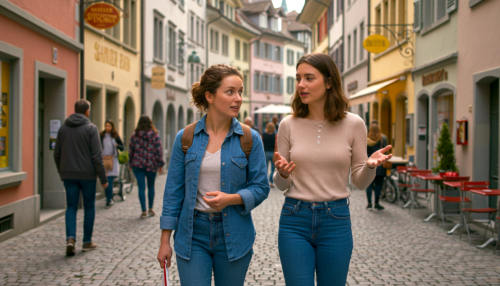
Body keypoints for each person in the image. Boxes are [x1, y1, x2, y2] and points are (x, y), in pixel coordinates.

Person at [273, 53, 392, 286]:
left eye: (309, 78)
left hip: (335, 220)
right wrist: (283, 174)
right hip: (294, 219)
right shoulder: (288, 124)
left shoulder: (354, 123)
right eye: (298, 78)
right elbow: (280, 184)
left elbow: (359, 182)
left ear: (329, 82)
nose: (301, 85)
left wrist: (369, 166)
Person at [157, 64, 270, 286]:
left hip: (234, 233)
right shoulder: (185, 138)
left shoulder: (249, 138)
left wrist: (231, 199)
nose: (238, 98)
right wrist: (164, 241)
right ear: (209, 96)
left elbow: (261, 187)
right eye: (230, 92)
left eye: (240, 92)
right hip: (192, 235)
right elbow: (173, 191)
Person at [54, 99, 108, 256]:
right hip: (87, 176)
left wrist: (61, 172)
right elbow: (97, 156)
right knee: (89, 207)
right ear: (87, 111)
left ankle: (70, 239)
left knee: (71, 206)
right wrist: (103, 179)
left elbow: (56, 153)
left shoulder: (63, 128)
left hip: (68, 174)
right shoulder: (91, 129)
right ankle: (86, 242)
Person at [129, 115, 164, 219]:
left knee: (141, 187)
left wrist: (130, 162)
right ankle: (150, 209)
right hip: (151, 164)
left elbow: (131, 150)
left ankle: (143, 210)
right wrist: (160, 164)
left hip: (137, 164)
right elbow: (159, 150)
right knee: (151, 187)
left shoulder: (135, 135)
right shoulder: (155, 135)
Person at [100, 119, 124, 209]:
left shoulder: (115, 136)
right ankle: (109, 198)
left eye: (109, 126)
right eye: (106, 126)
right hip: (104, 159)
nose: (107, 128)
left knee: (109, 181)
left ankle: (109, 199)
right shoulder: (101, 135)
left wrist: (117, 145)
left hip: (113, 160)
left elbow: (122, 147)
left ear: (112, 127)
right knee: (105, 180)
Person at [366, 122, 388, 211]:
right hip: (379, 166)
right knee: (378, 185)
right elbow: (385, 152)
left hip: (369, 165)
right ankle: (377, 203)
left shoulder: (366, 139)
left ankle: (369, 204)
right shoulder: (382, 139)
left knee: (369, 185)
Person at [262, 122, 277, 188]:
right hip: (272, 153)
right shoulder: (275, 135)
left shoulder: (263, 134)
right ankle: (271, 181)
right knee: (273, 168)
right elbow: (276, 145)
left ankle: (265, 181)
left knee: (265, 168)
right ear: (273, 128)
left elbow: (261, 144)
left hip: (265, 152)